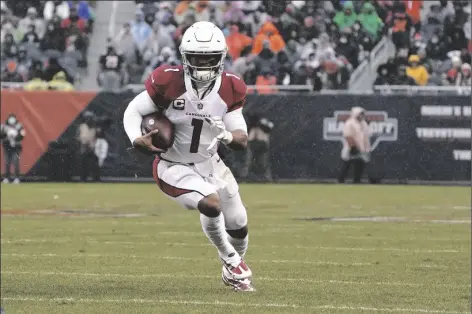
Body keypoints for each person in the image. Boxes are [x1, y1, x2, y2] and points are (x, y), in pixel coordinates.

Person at [123, 21, 254, 292]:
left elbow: (241, 138)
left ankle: (233, 268)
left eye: (209, 59)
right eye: (197, 58)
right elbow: (133, 111)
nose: (203, 65)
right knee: (210, 203)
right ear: (185, 57)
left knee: (239, 223)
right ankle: (230, 259)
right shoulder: (169, 81)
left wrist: (228, 137)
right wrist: (136, 138)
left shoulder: (231, 87)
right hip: (173, 164)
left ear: (221, 58)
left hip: (211, 163)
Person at [338, 107, 370, 184]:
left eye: (363, 114)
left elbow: (365, 136)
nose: (362, 116)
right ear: (355, 114)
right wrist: (353, 147)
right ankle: (341, 180)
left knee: (359, 165)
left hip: (361, 148)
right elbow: (348, 135)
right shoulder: (350, 123)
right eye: (360, 114)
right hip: (350, 148)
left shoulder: (364, 123)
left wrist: (366, 148)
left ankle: (357, 181)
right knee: (347, 165)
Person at [1, 114, 26, 184]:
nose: (11, 120)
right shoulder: (4, 126)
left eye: (13, 118)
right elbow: (1, 135)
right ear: (8, 119)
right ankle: (6, 178)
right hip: (7, 147)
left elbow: (22, 135)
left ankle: (17, 178)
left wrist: (15, 137)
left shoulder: (19, 126)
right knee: (7, 163)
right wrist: (7, 136)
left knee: (16, 162)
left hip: (16, 148)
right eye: (10, 118)